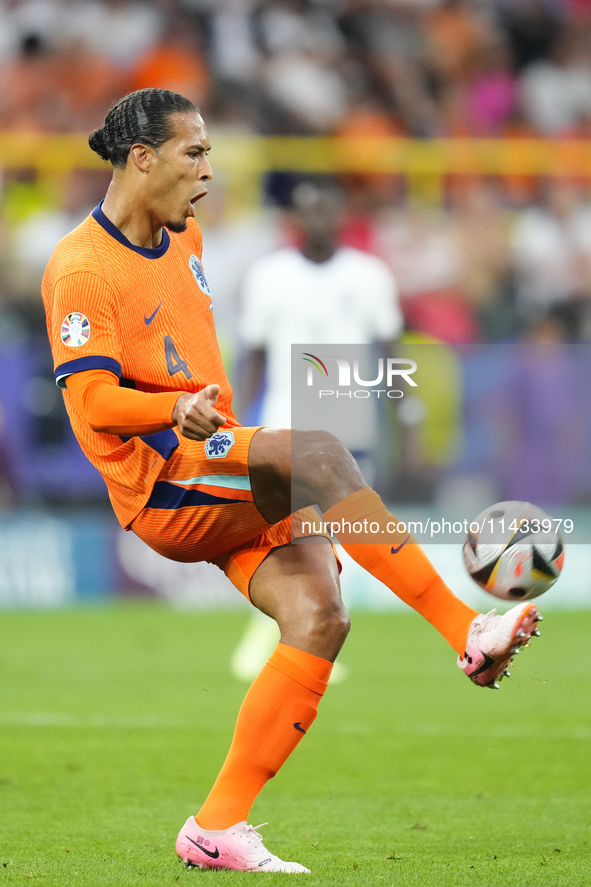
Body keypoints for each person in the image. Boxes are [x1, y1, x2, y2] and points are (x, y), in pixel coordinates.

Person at [42, 88, 543, 875]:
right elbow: (93, 402)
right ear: (142, 158)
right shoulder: (80, 267)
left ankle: (217, 826)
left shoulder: (187, 238)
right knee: (319, 451)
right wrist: (180, 410)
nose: (210, 171)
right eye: (194, 153)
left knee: (319, 616)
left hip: (224, 465)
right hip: (166, 486)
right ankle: (466, 629)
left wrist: (214, 419)